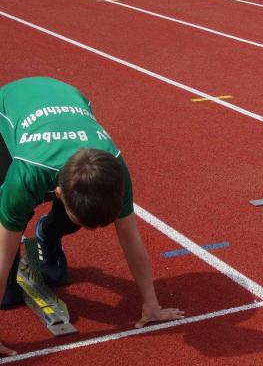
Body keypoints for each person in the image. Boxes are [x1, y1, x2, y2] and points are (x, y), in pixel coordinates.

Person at [0, 77, 183, 356]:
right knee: (7, 288)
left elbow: (131, 239)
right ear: (58, 193)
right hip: (9, 108)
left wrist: (152, 304)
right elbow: (1, 256)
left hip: (68, 98)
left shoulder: (114, 172)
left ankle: (47, 233)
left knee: (76, 217)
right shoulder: (25, 176)